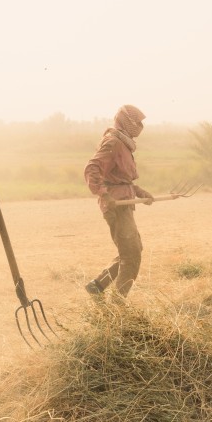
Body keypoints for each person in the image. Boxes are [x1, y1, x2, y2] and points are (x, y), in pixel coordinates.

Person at [83, 105, 155, 298]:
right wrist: (104, 194)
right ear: (125, 121)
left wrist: (140, 192)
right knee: (131, 256)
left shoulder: (124, 143)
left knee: (133, 250)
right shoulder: (113, 142)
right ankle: (118, 304)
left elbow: (121, 179)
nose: (140, 126)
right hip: (116, 207)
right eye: (136, 122)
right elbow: (92, 168)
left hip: (124, 203)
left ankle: (97, 285)